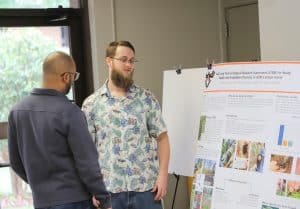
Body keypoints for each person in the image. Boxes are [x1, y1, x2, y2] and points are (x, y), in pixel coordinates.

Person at [8, 51, 111, 209]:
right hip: (75, 200)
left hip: (41, 201)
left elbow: (15, 162)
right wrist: (104, 199)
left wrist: (40, 186)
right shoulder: (70, 112)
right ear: (66, 77)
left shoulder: (17, 112)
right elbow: (87, 164)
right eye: (74, 76)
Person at [82, 41, 170, 209]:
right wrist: (91, 187)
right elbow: (87, 150)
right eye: (124, 59)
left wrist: (163, 175)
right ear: (109, 61)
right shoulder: (91, 104)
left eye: (132, 60)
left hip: (146, 190)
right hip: (109, 192)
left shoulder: (147, 99)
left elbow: (163, 138)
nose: (129, 65)